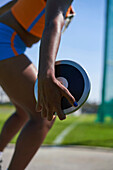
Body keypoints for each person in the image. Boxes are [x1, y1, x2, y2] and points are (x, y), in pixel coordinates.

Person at [0, 0, 77, 169]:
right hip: (4, 41)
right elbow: (52, 22)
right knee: (43, 114)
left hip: (9, 42)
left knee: (23, 112)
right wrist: (46, 74)